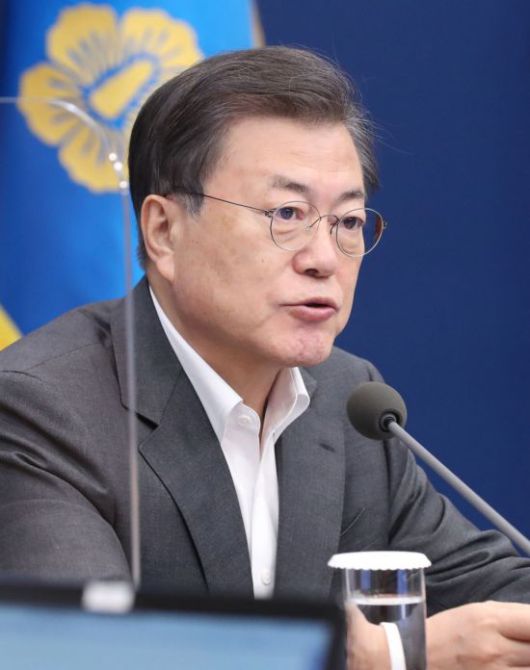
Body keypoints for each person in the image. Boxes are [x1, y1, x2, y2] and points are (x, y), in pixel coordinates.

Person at [1, 46, 530, 670]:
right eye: (287, 214)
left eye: (348, 221)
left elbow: (491, 590)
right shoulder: (40, 409)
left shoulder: (349, 401)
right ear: (164, 231)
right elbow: (85, 656)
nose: (324, 258)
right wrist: (387, 658)